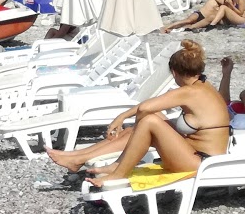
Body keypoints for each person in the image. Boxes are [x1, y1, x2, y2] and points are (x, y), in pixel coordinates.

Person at [45, 41, 230, 185]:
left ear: (174, 72)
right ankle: (77, 157)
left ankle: (118, 172)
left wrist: (126, 119)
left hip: (202, 164)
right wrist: (123, 117)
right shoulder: (201, 87)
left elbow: (144, 109)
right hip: (195, 155)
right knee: (150, 119)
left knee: (149, 121)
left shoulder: (189, 92)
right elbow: (149, 105)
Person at [162, 0, 245, 32]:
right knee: (188, 20)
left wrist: (230, 4)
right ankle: (169, 27)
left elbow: (240, 13)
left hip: (213, 18)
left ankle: (182, 29)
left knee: (190, 22)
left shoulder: (235, 1)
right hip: (201, 13)